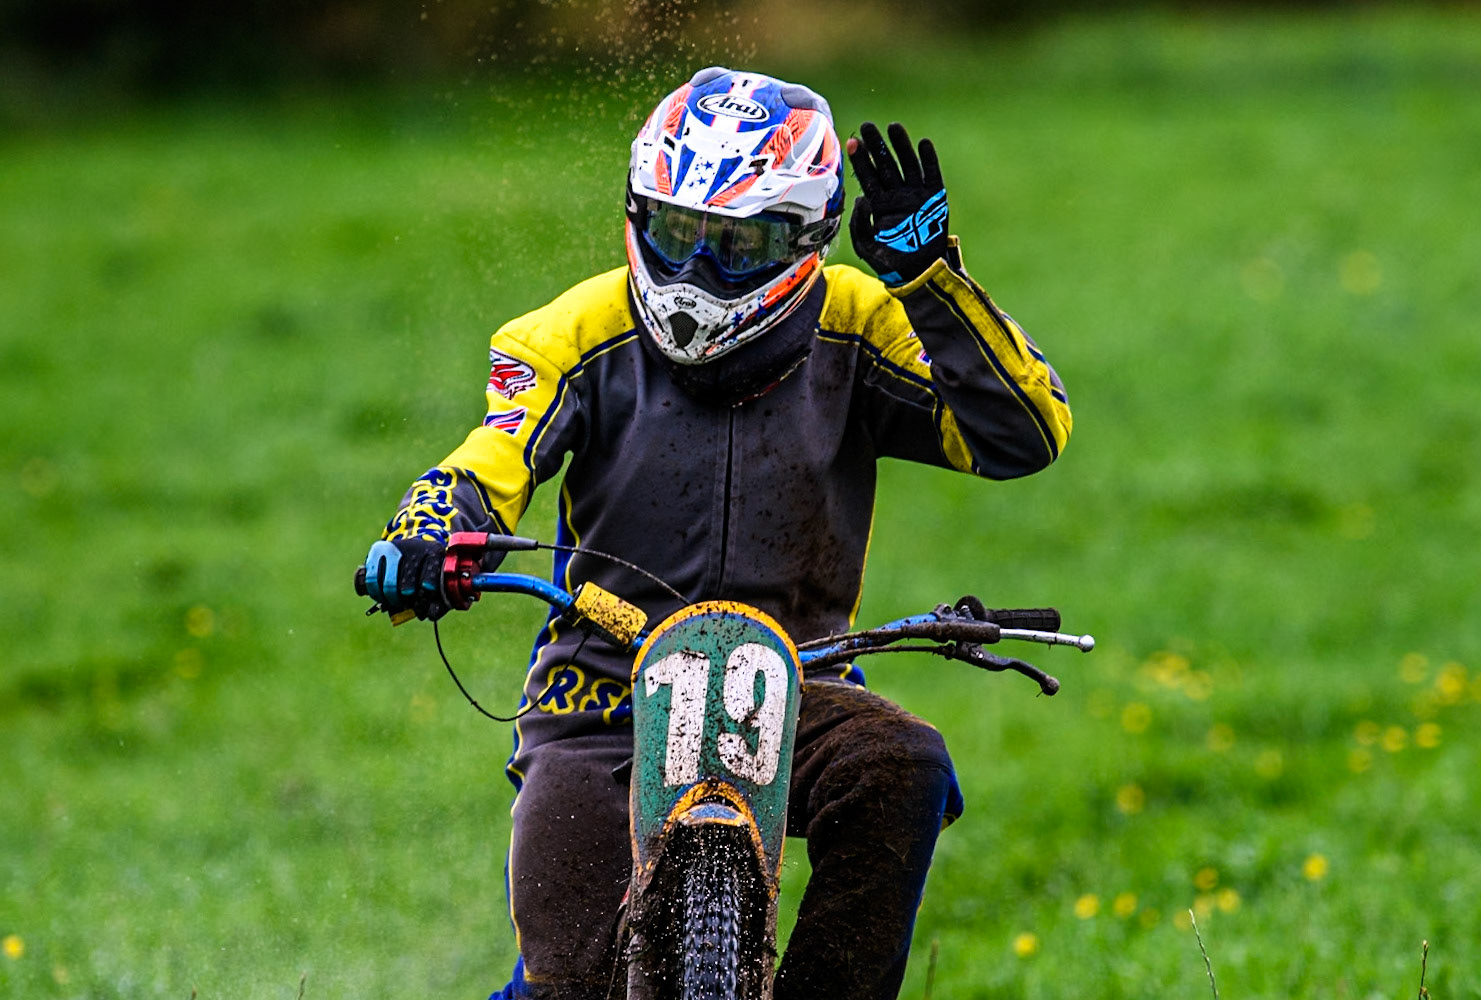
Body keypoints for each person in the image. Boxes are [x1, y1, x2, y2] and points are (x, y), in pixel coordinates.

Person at [362, 67, 1072, 1000]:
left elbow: (1019, 436)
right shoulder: (570, 332)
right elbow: (489, 461)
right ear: (634, 209)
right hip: (599, 694)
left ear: (808, 242)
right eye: (676, 231)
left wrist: (929, 282)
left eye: (741, 245)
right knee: (568, 980)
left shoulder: (864, 322)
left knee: (903, 764)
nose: (697, 270)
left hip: (797, 678)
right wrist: (430, 531)